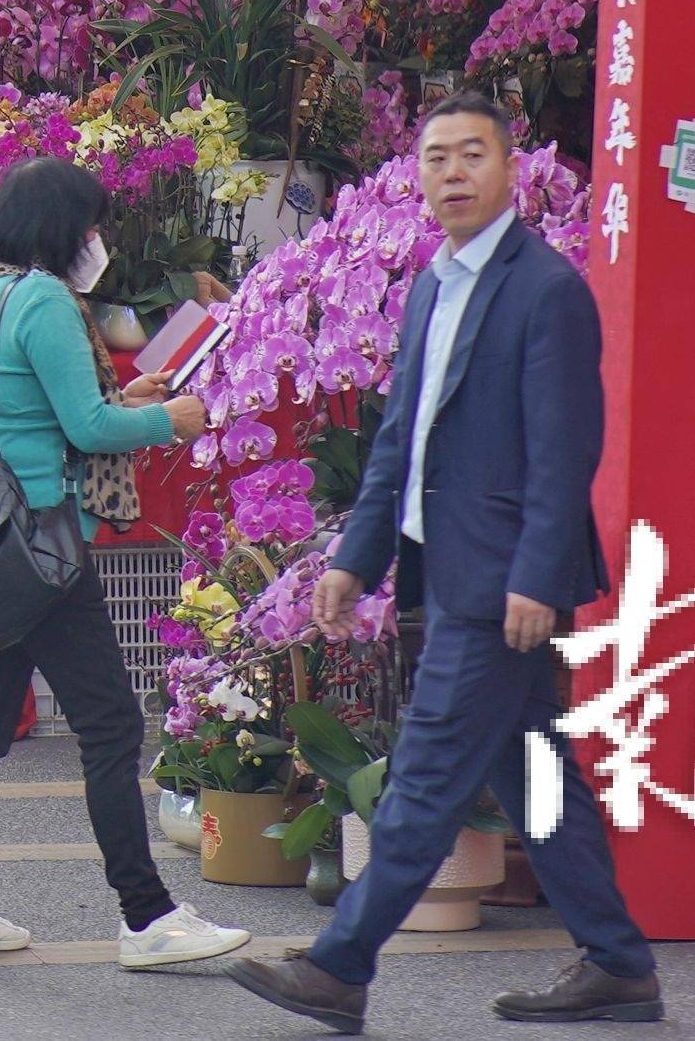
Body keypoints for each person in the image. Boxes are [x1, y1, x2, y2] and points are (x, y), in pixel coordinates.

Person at [230, 98, 654, 1035]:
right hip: (444, 563)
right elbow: (400, 441)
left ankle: (341, 966)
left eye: (473, 155)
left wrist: (539, 576)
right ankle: (620, 967)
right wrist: (355, 559)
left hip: (501, 581)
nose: (453, 173)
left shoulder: (546, 290)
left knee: (423, 774)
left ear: (511, 171)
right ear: (416, 176)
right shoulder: (431, 283)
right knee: (537, 768)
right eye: (435, 159)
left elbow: (565, 448)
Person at [0, 157, 243, 968]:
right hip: (46, 545)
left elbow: (33, 409)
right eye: (90, 226)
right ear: (61, 230)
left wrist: (132, 401)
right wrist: (167, 418)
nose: (96, 241)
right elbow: (89, 430)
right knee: (109, 726)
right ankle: (147, 916)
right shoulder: (43, 298)